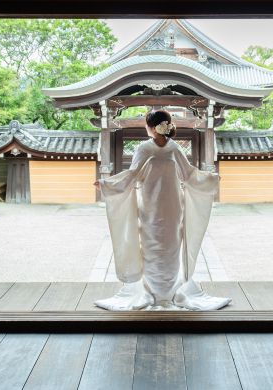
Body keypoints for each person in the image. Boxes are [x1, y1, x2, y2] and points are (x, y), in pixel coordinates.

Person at [92, 109, 231, 310]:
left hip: (172, 208)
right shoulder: (149, 149)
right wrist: (107, 184)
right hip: (150, 208)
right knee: (151, 246)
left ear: (151, 127)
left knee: (172, 246)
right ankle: (152, 293)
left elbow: (188, 175)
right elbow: (132, 176)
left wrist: (210, 179)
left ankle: (170, 291)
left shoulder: (171, 149)